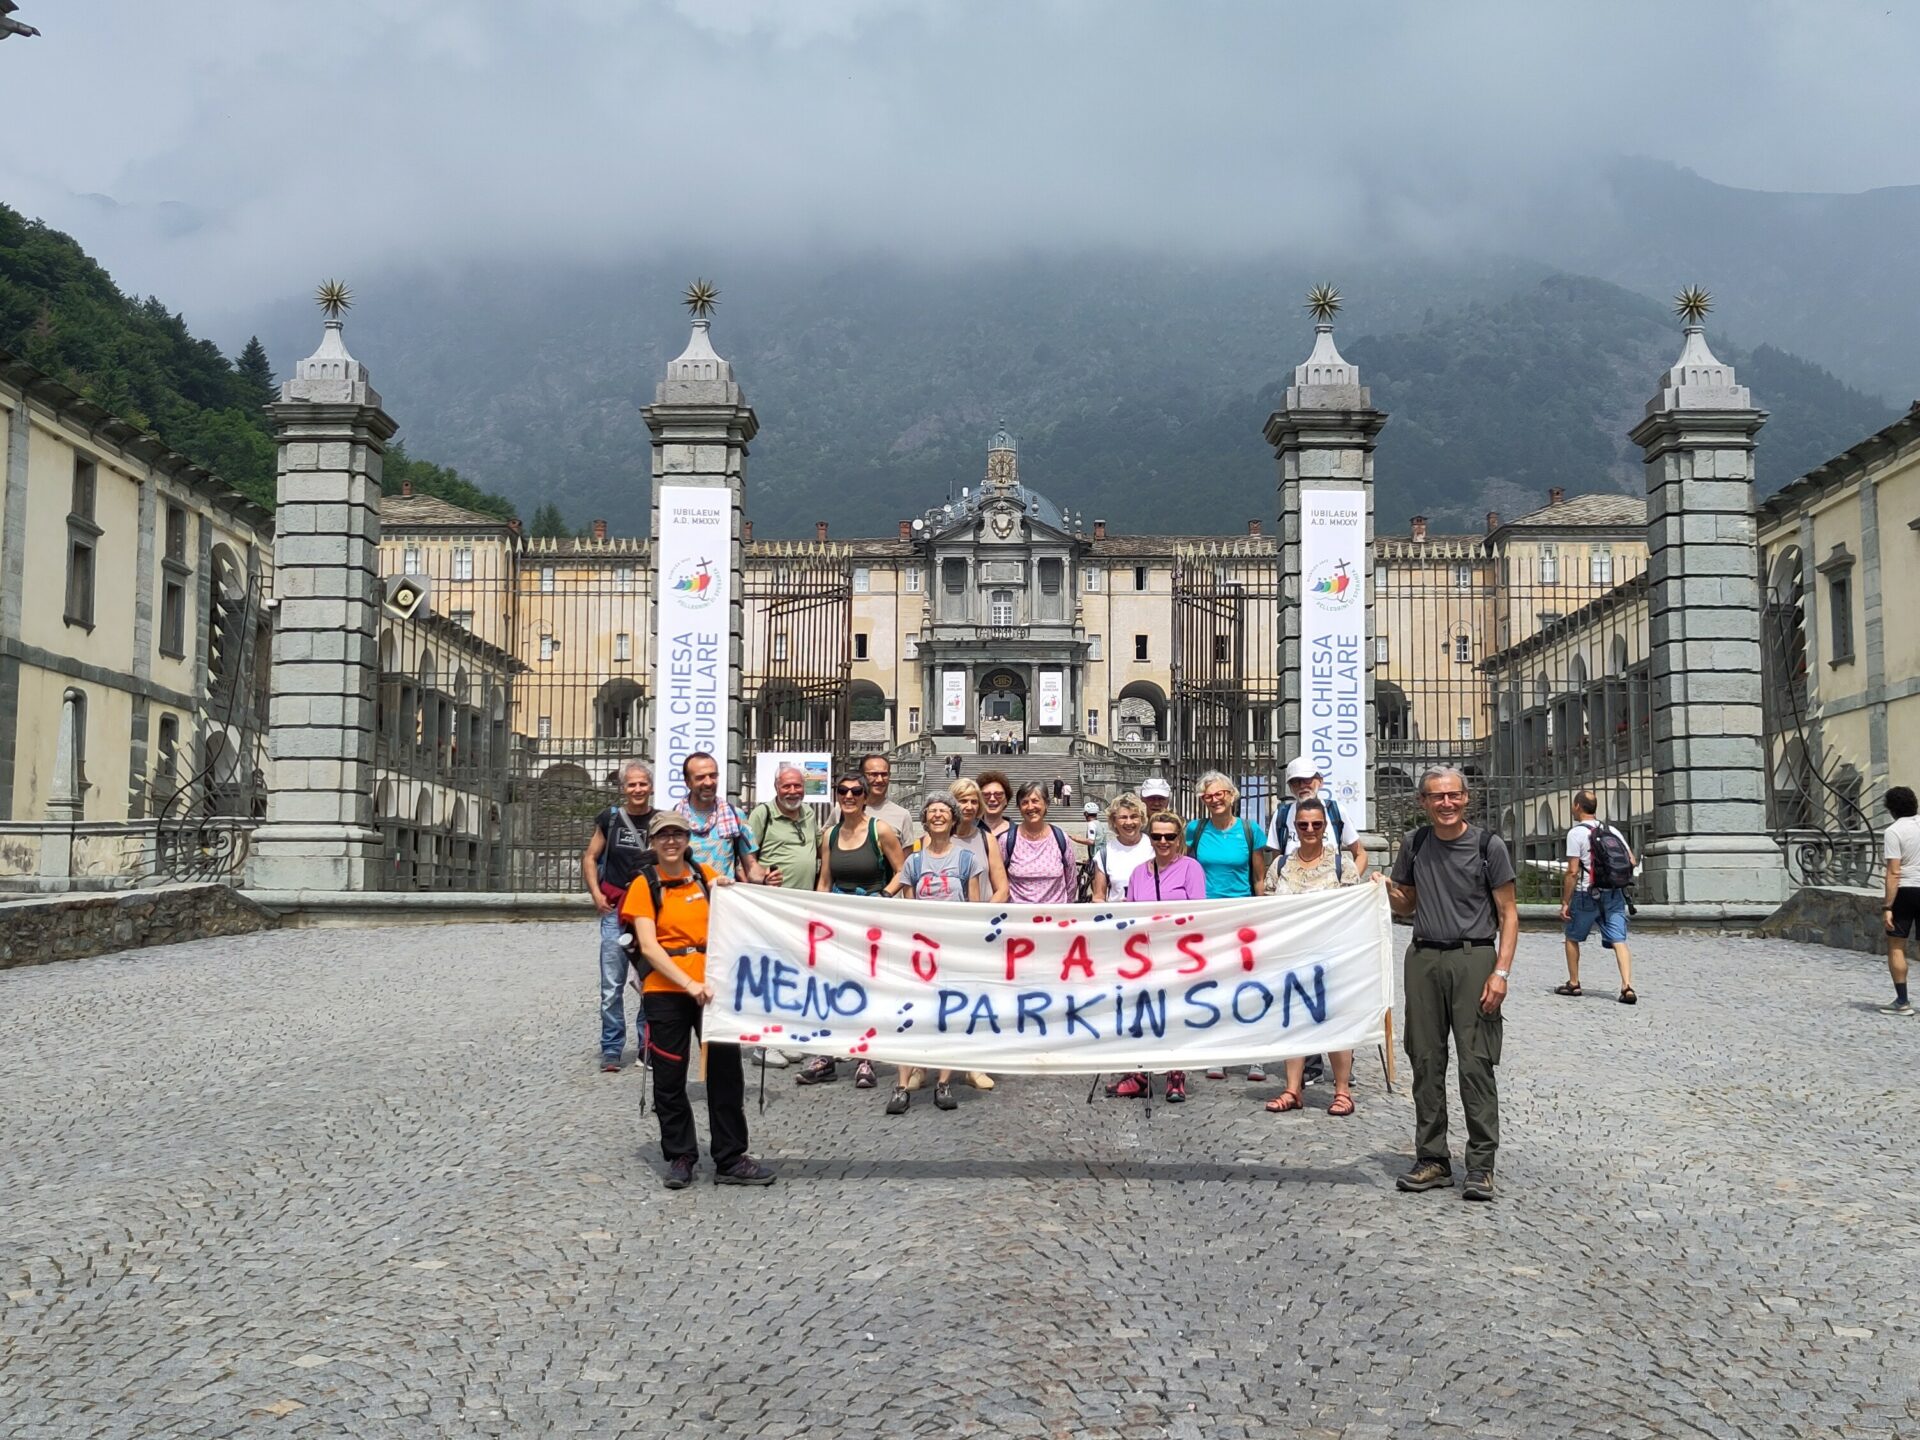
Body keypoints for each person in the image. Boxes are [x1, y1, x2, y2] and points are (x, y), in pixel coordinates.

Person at [619, 810, 776, 1190]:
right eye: (663, 836)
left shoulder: (705, 876)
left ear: (688, 839)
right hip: (668, 989)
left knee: (726, 1073)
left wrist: (751, 886)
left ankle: (730, 1156)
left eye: (677, 834)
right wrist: (689, 984)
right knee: (670, 1077)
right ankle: (681, 1155)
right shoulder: (644, 884)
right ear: (653, 843)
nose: (670, 842)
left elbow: (737, 910)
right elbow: (651, 949)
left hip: (714, 989)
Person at [1385, 766, 1519, 1203]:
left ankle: (1480, 1165)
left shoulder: (1488, 846)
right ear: (1423, 803)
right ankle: (1433, 1158)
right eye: (1436, 797)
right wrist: (1383, 889)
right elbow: (1406, 900)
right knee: (1424, 1060)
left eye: (1453, 796)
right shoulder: (1415, 843)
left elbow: (1509, 914)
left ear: (1466, 798)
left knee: (1475, 1063)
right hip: (1423, 956)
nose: (1446, 804)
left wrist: (1501, 971)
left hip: (1473, 957)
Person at [798, 772, 908, 1087]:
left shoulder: (880, 829)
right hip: (838, 919)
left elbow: (903, 869)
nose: (848, 796)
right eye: (842, 790)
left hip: (871, 919)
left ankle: (865, 1058)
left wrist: (884, 897)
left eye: (855, 791)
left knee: (866, 987)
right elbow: (825, 880)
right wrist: (817, 915)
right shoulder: (830, 834)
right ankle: (826, 1055)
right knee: (831, 985)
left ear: (864, 796)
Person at [881, 795, 986, 1113]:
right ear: (924, 821)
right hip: (920, 950)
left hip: (952, 949)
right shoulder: (913, 861)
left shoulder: (967, 860)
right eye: (932, 812)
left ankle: (944, 1082)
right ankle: (901, 1085)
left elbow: (975, 908)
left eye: (944, 811)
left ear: (954, 820)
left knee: (948, 1016)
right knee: (909, 1015)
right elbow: (904, 902)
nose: (938, 815)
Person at [1262, 797, 1361, 1117]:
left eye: (1316, 824)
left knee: (1335, 1022)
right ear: (1294, 827)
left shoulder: (1341, 865)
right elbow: (1268, 909)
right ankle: (1293, 1089)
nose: (1309, 830)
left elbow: (1352, 910)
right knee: (1294, 1022)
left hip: (1332, 956)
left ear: (1325, 827)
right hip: (1292, 956)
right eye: (1303, 825)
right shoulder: (1280, 866)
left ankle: (1342, 1091)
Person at [1108, 813, 1206, 1103]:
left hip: (1178, 953)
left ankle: (1176, 1074)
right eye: (1157, 836)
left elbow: (1198, 914)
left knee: (1174, 1014)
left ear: (1179, 840)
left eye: (1169, 836)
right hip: (1145, 954)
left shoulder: (1191, 868)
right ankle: (1140, 1073)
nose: (1163, 842)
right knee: (1142, 1013)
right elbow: (1130, 913)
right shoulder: (1139, 872)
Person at [1188, 771, 1269, 1081]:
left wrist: (1260, 912)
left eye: (1220, 793)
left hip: (1242, 915)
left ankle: (1254, 1053)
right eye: (1208, 796)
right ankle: (1217, 1050)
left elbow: (1259, 877)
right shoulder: (1195, 830)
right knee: (1213, 985)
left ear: (1232, 795)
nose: (1214, 800)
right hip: (1208, 917)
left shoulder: (1250, 831)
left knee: (1248, 985)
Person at [743, 764, 823, 1067]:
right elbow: (746, 858)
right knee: (771, 974)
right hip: (772, 907)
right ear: (776, 787)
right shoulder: (762, 815)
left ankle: (785, 1035)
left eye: (797, 786)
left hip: (801, 907)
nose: (793, 791)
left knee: (793, 973)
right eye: (787, 786)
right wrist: (761, 877)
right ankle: (763, 1044)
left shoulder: (809, 814)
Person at [582, 759, 655, 1072]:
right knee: (611, 985)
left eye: (642, 784)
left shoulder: (660, 821)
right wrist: (596, 894)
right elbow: (589, 856)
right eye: (631, 784)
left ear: (650, 787)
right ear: (623, 788)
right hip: (614, 910)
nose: (637, 789)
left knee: (649, 983)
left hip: (647, 913)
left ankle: (646, 1045)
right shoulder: (610, 819)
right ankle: (612, 1047)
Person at [1557, 790, 1637, 1004]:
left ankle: (1574, 983)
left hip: (1587, 893)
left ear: (1577, 807)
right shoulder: (1611, 830)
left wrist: (1566, 901)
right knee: (1619, 939)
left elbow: (1572, 871)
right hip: (1613, 893)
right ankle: (1627, 986)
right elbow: (1632, 860)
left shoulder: (1576, 834)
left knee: (1572, 937)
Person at [676, 752, 772, 885]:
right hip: (688, 900)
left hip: (722, 900)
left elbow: (751, 868)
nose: (709, 782)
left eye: (713, 776)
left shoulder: (735, 815)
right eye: (700, 777)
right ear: (688, 782)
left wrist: (766, 877)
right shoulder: (674, 819)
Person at [1270, 757, 1367, 875]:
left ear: (1320, 781)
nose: (1302, 785)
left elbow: (1361, 854)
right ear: (1290, 787)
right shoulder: (1281, 816)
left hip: (1330, 891)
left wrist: (1348, 883)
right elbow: (1276, 863)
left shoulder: (1336, 811)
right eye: (1296, 781)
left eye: (1307, 780)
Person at [1003, 781, 1079, 905]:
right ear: (1019, 808)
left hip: (1054, 918)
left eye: (1035, 801)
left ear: (1046, 804)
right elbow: (999, 881)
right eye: (1024, 802)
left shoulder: (1060, 837)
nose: (1030, 807)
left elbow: (1071, 881)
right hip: (1018, 918)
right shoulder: (1007, 839)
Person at [1881, 785, 1920, 1016]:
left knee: (1896, 945)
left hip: (1906, 890)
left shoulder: (1894, 831)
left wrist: (1887, 906)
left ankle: (1902, 1001)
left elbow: (1894, 872)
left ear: (1891, 809)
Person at [948, 776, 1012, 903]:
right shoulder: (934, 838)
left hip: (981, 917)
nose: (969, 806)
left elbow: (1003, 890)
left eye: (974, 802)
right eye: (963, 801)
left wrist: (983, 916)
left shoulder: (988, 839)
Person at [1088, 793, 1153, 902]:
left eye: (1134, 816)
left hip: (1152, 915)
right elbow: (1098, 897)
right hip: (1119, 916)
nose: (1129, 822)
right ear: (1114, 822)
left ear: (1141, 819)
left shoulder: (1154, 847)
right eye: (1123, 817)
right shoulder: (1105, 854)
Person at [862, 754, 920, 850]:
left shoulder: (902, 815)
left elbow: (906, 861)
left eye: (884, 774)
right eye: (873, 774)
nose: (880, 780)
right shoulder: (842, 811)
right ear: (862, 776)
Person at [977, 770, 1014, 842]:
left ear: (1006, 799)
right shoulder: (970, 830)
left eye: (998, 794)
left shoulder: (1016, 833)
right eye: (986, 795)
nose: (992, 799)